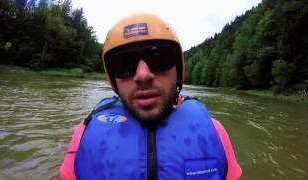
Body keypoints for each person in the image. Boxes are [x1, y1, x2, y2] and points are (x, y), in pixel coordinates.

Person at [58, 13, 242, 180]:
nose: (143, 75)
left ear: (178, 70)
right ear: (113, 80)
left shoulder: (215, 131)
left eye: (159, 58)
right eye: (124, 64)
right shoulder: (84, 132)